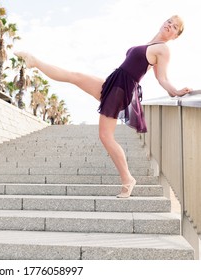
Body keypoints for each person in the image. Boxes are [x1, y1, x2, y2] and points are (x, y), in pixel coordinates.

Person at [14, 15, 192, 198]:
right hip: (115, 82)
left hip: (121, 88)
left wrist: (176, 92)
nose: (169, 25)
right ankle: (33, 61)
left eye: (175, 27)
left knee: (106, 136)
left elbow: (162, 78)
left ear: (175, 35)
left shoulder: (163, 49)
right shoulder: (152, 45)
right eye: (169, 21)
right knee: (74, 76)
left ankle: (128, 179)